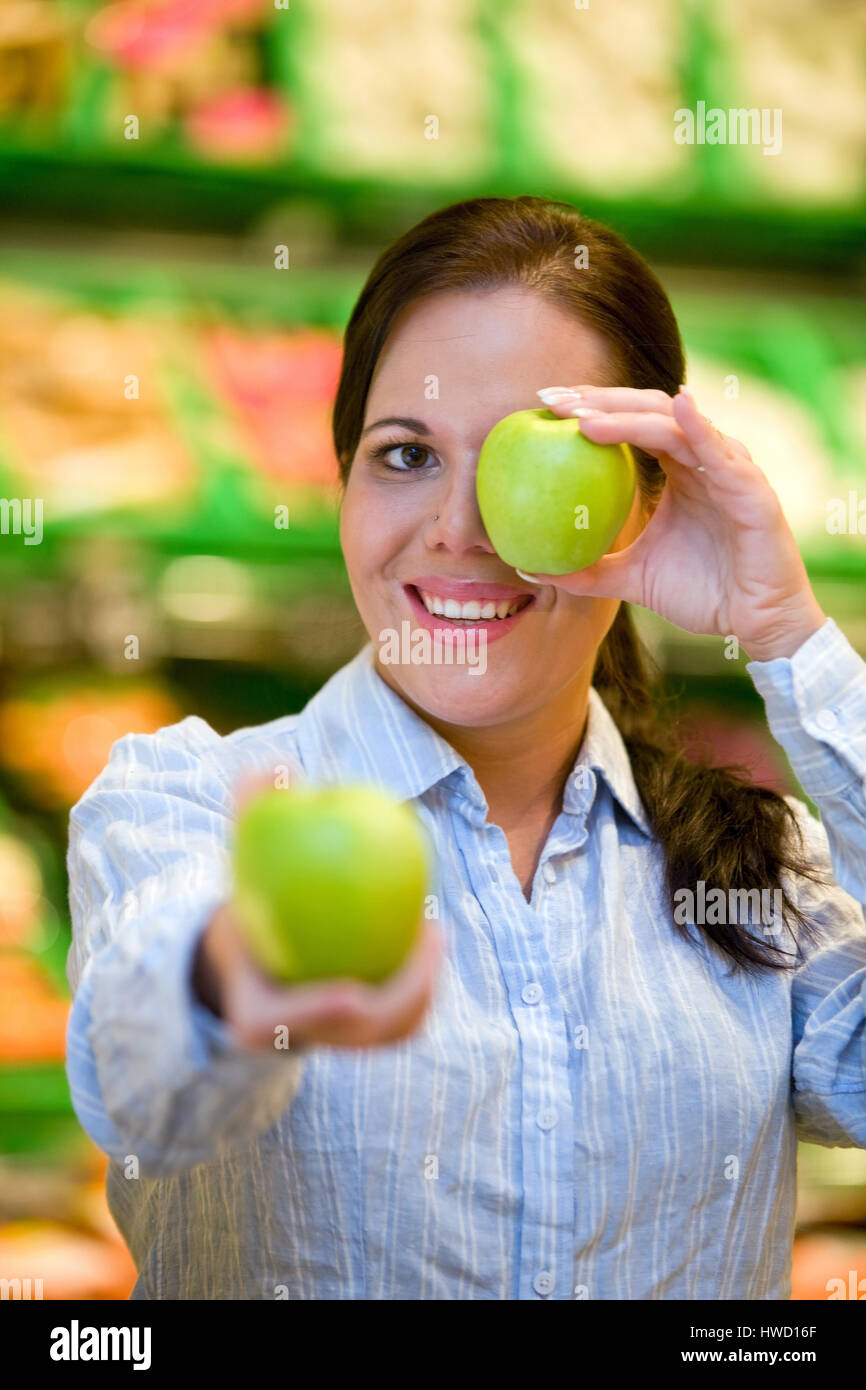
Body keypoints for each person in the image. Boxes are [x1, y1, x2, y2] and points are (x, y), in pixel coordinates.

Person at [65, 196, 866, 1300]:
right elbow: (143, 1078)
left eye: (518, 466)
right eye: (404, 455)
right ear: (342, 484)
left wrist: (788, 639)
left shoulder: (758, 868)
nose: (457, 529)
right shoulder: (188, 805)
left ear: (642, 501)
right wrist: (232, 977)